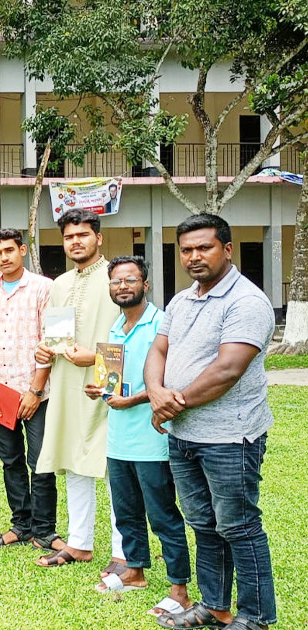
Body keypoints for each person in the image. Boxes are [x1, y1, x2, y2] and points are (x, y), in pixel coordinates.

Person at [146, 214, 277, 630]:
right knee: (203, 524)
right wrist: (155, 392)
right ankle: (216, 607)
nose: (194, 256)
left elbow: (228, 369)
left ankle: (255, 617)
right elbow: (158, 351)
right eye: (186, 249)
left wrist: (172, 402)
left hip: (230, 437)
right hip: (184, 436)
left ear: (227, 249)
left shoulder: (247, 302)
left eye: (204, 247)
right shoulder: (182, 300)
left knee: (238, 526)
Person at [81, 256, 190, 618]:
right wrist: (99, 389)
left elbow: (170, 381)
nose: (122, 286)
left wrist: (135, 398)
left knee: (162, 516)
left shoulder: (162, 325)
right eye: (116, 281)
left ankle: (179, 590)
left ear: (145, 284)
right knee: (126, 513)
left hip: (153, 439)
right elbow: (110, 379)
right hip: (119, 439)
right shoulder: (115, 327)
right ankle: (134, 572)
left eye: (130, 279)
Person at [33, 208, 125, 570]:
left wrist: (98, 361)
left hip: (110, 383)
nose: (76, 242)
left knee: (115, 468)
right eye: (69, 237)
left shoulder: (118, 278)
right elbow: (57, 338)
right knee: (74, 462)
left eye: (82, 235)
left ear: (98, 238)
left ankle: (123, 551)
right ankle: (79, 543)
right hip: (69, 384)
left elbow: (130, 331)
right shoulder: (59, 284)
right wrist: (46, 348)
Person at [0, 229, 56, 550]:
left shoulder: (43, 288)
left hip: (38, 393)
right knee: (11, 462)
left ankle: (45, 530)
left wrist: (35, 391)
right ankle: (21, 526)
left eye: (10, 250)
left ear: (22, 250)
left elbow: (50, 341)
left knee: (41, 462)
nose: (4, 257)